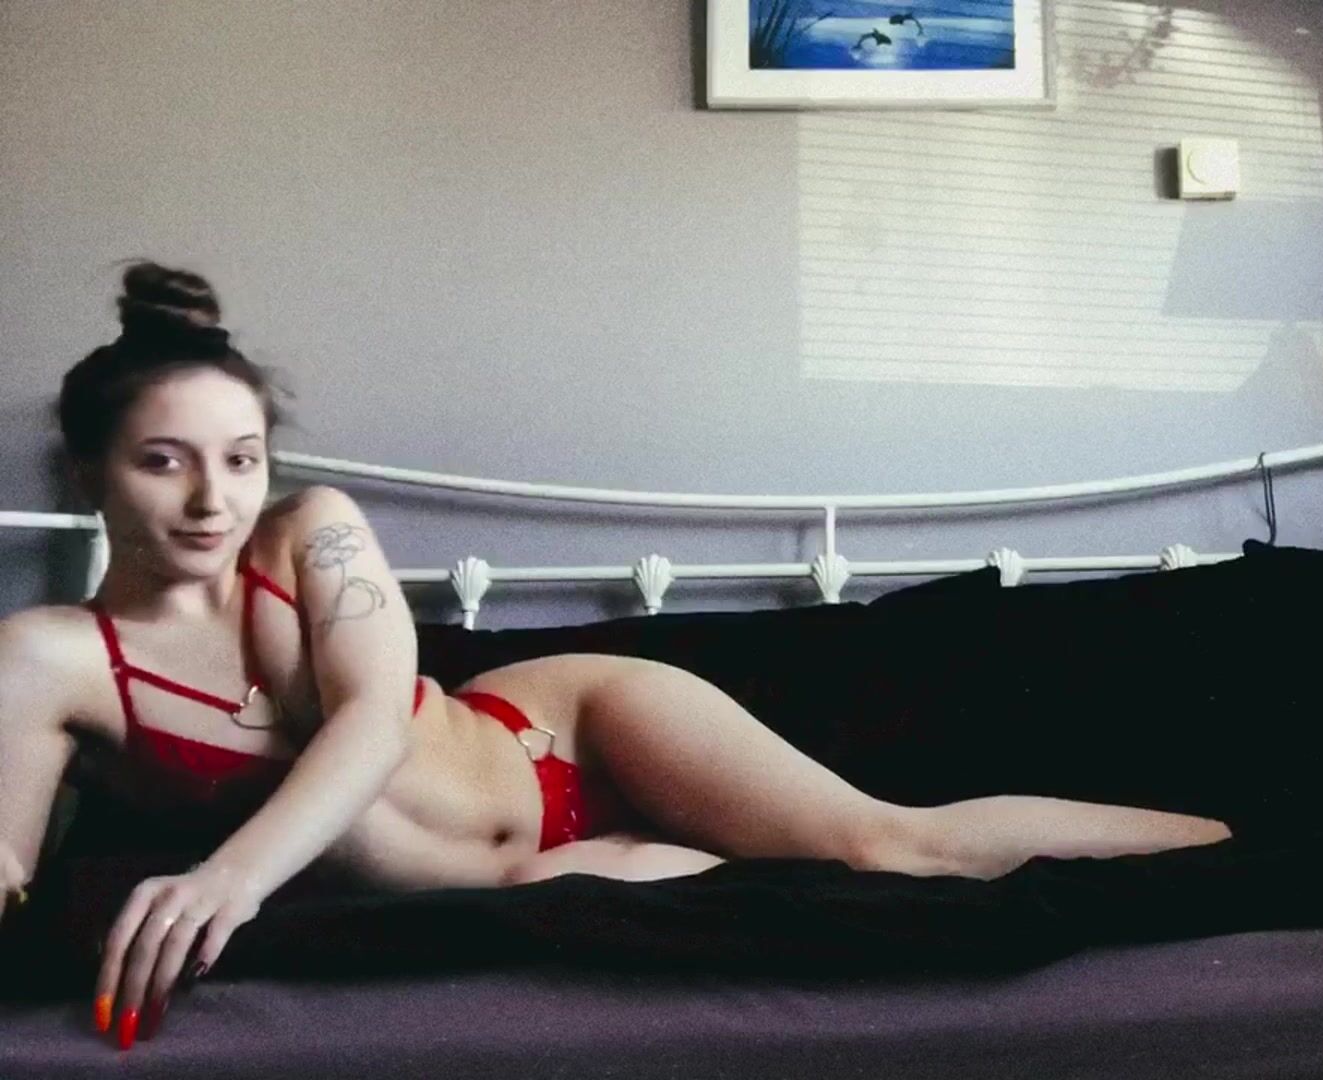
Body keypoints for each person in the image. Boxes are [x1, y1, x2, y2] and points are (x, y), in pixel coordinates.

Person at [0, 262, 1232, 1050]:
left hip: (561, 732)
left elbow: (371, 720)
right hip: (534, 876)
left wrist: (229, 879)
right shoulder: (49, 659)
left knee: (886, 849)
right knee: (753, 922)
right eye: (163, 461)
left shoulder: (310, 532)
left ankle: (1240, 850)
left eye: (242, 458)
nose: (212, 498)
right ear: (89, 469)